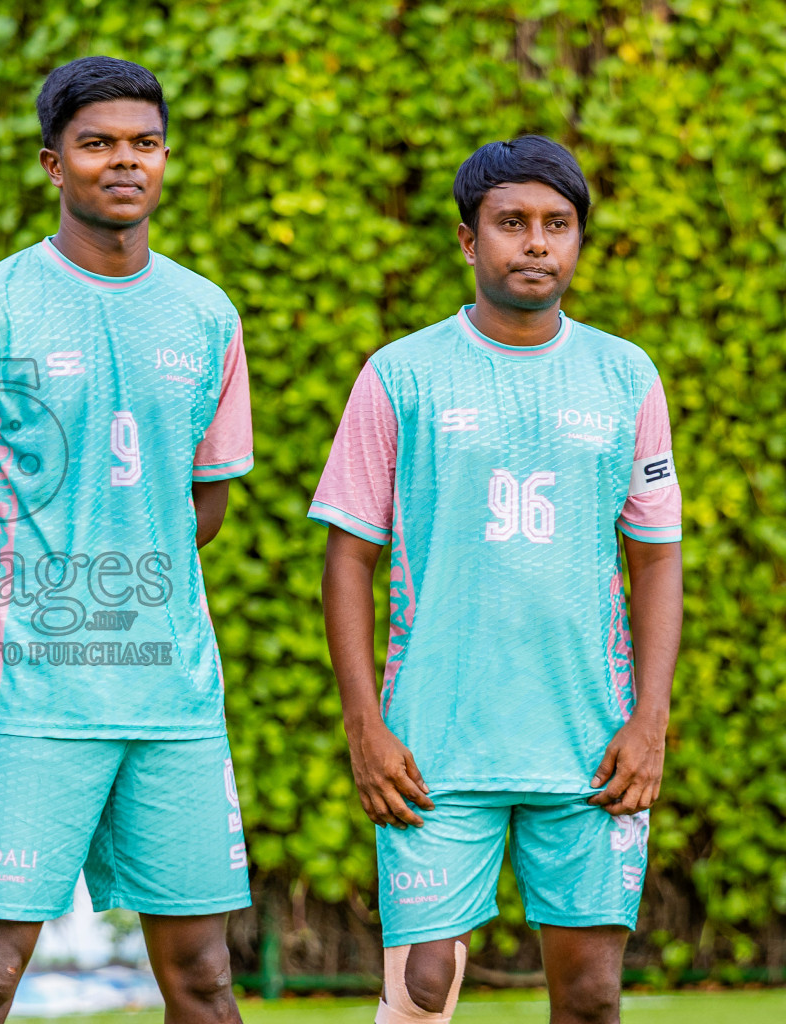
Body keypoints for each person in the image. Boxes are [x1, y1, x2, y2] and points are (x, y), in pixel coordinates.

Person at [0, 56, 255, 1024]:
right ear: (54, 164)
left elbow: (204, 504)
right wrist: (13, 618)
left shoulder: (205, 313)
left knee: (206, 979)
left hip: (172, 698)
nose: (124, 163)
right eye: (98, 145)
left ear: (166, 158)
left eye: (143, 144)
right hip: (29, 701)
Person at [310, 135, 683, 1024]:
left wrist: (650, 721)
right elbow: (348, 557)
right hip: (435, 741)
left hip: (589, 742)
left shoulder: (625, 374)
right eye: (511, 223)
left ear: (580, 241)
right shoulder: (402, 374)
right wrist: (366, 724)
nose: (537, 244)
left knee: (592, 998)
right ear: (469, 241)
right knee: (423, 991)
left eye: (558, 225)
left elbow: (657, 554)